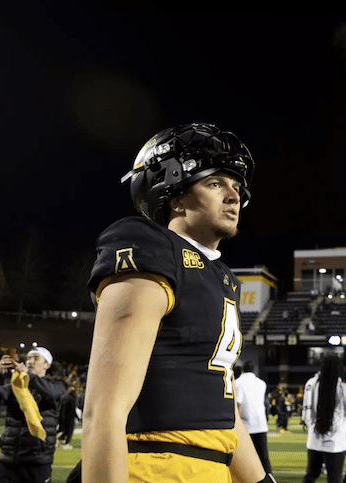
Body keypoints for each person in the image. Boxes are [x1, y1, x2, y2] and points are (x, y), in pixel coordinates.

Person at [79, 123, 270, 483]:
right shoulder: (152, 249)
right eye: (215, 183)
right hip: (157, 468)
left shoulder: (222, 278)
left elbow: (222, 412)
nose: (234, 196)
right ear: (176, 197)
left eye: (236, 186)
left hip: (211, 469)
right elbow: (103, 412)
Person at [0, 346, 64, 483]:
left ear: (47, 365)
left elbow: (52, 393)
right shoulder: (16, 385)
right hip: (9, 459)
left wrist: (29, 375)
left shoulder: (57, 385)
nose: (30, 361)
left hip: (37, 460)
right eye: (28, 358)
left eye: (36, 358)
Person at [301, 354, 346, 483]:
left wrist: (310, 425)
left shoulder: (311, 383)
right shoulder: (343, 388)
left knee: (310, 476)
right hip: (335, 443)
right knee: (334, 479)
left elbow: (306, 413)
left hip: (314, 440)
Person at [236, 360, 272, 474]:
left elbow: (238, 404)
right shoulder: (262, 383)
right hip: (261, 424)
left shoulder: (238, 383)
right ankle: (269, 478)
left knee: (245, 457)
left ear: (242, 370)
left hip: (246, 425)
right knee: (263, 456)